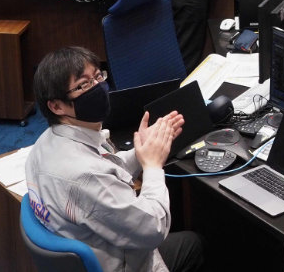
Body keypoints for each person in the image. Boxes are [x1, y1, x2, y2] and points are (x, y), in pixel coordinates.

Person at [24, 46, 203, 272]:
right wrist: (153, 166)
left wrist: (140, 153)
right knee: (200, 243)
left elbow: (103, 168)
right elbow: (153, 229)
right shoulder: (85, 177)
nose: (98, 87)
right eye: (83, 85)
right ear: (56, 105)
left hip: (100, 245)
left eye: (98, 76)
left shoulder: (46, 141)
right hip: (127, 263)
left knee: (192, 243)